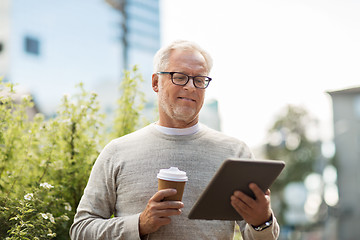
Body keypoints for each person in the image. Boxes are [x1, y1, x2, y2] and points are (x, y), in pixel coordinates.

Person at [70, 40, 280, 239]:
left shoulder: (235, 153)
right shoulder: (117, 152)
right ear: (155, 82)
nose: (191, 87)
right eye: (179, 77)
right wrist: (140, 225)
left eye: (199, 80)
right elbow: (81, 230)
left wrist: (262, 221)